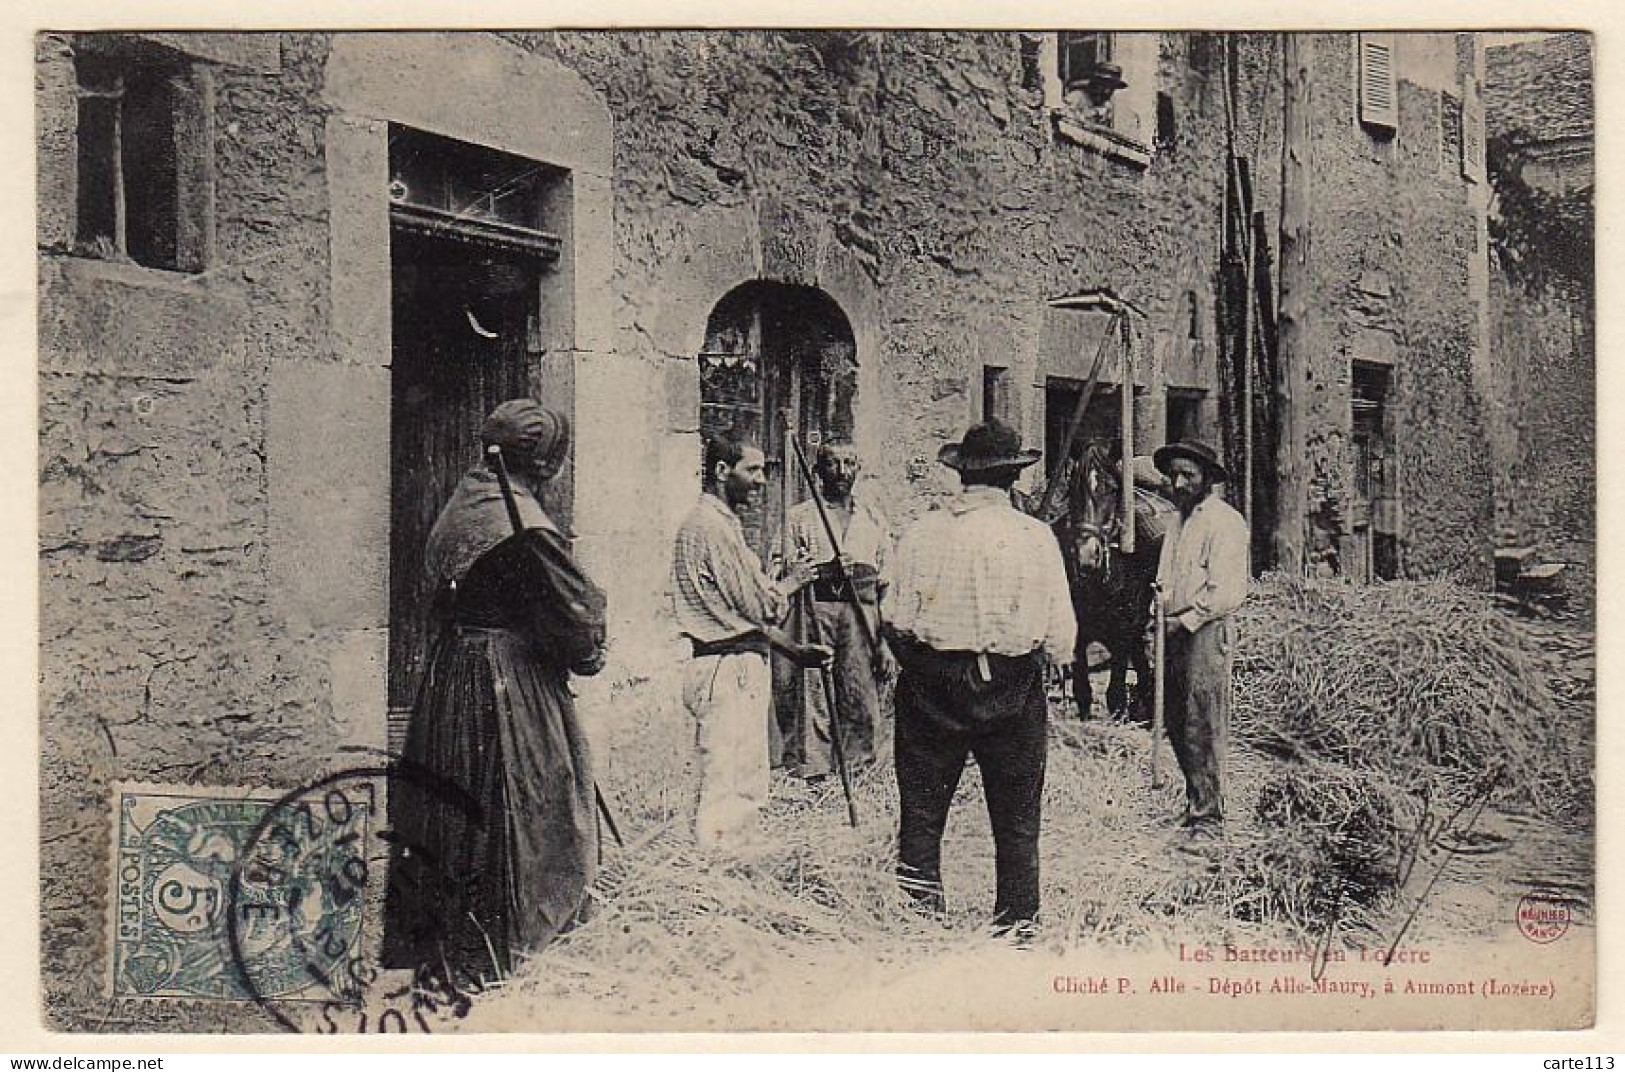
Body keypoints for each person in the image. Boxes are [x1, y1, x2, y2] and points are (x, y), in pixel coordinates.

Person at [383, 399, 607, 986]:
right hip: (506, 680)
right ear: (542, 459)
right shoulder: (523, 527)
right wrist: (587, 651)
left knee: (454, 806)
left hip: (453, 673)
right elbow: (574, 617)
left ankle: (445, 946)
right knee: (529, 796)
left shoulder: (463, 507)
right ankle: (504, 944)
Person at [884, 419, 1077, 938]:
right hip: (1012, 686)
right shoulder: (1035, 538)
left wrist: (923, 665)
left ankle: (919, 917)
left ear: (961, 476)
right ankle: (1017, 924)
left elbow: (894, 618)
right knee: (1017, 816)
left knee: (922, 809)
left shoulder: (923, 531)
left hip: (932, 685)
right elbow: (1061, 635)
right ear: (1013, 477)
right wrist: (1048, 659)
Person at [672, 430, 830, 853]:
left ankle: (728, 872)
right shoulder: (713, 528)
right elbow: (761, 608)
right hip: (729, 670)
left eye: (764, 469)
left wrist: (793, 650)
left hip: (729, 662)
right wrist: (791, 583)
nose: (761, 480)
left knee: (737, 782)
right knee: (729, 788)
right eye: (753, 470)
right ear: (722, 471)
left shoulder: (717, 525)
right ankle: (716, 886)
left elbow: (743, 616)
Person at [775, 439, 893, 778]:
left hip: (862, 612)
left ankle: (858, 768)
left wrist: (884, 641)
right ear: (818, 470)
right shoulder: (800, 518)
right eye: (833, 463)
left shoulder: (872, 519)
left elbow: (888, 582)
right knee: (814, 687)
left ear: (859, 469)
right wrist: (823, 568)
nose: (842, 472)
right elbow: (780, 569)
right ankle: (814, 769)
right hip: (817, 608)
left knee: (859, 687)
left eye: (849, 463)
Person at [1152, 438, 1249, 840]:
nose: (1178, 483)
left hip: (1205, 630)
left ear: (1207, 479)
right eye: (1173, 474)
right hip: (1172, 627)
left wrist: (1185, 620)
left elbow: (1224, 589)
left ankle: (1209, 817)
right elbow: (1165, 579)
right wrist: (1156, 618)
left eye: (1187, 476)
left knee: (1202, 719)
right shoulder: (1178, 521)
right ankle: (1196, 802)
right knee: (1175, 717)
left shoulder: (1224, 522)